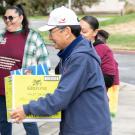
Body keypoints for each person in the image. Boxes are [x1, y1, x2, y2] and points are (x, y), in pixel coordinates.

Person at [11, 6, 111, 135]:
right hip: (80, 125)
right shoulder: (72, 54)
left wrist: (27, 109)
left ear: (67, 31)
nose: (49, 37)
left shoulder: (80, 58)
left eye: (51, 32)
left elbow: (61, 98)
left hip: (87, 129)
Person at [0, 4, 50, 135]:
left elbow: (45, 65)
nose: (7, 21)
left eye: (11, 17)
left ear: (21, 18)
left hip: (22, 89)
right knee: (3, 122)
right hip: (1, 89)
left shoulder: (32, 37)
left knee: (29, 122)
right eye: (5, 17)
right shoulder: (1, 36)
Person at [80, 16, 119, 90]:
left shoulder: (102, 48)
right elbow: (58, 70)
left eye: (84, 32)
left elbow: (109, 80)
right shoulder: (78, 48)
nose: (80, 34)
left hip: (103, 93)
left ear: (95, 32)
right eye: (78, 31)